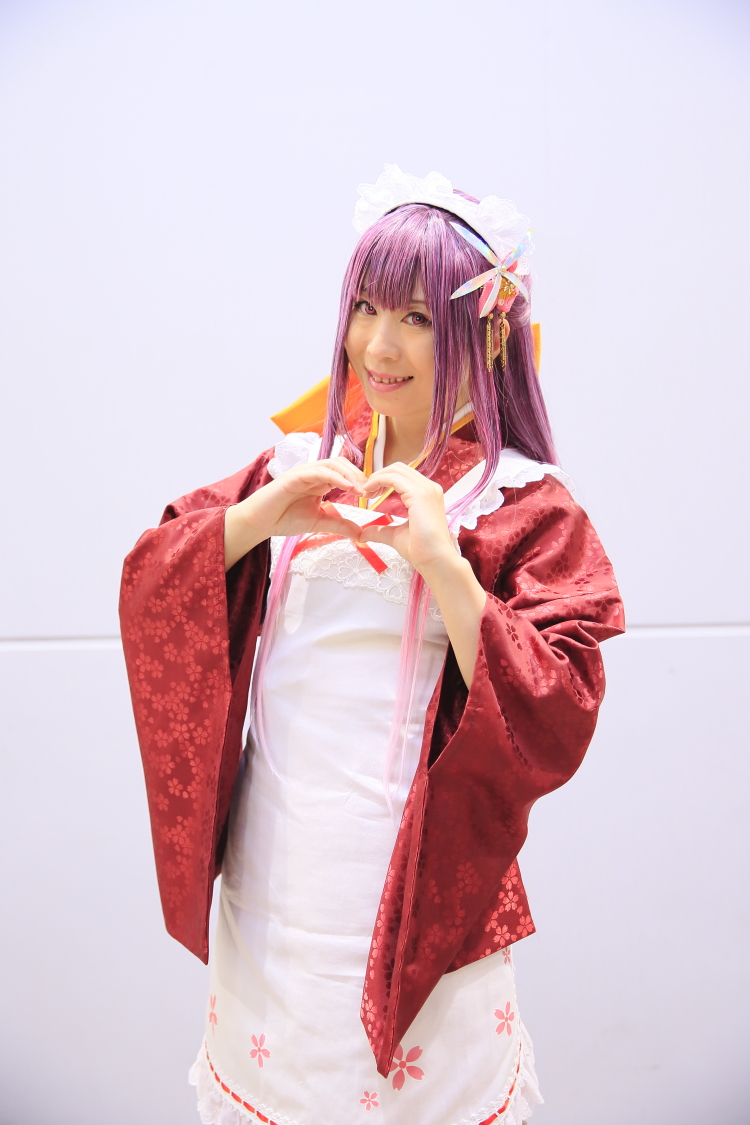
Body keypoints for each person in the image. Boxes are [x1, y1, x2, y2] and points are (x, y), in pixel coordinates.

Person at [120, 164, 624, 1125]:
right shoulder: (298, 463)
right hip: (275, 882)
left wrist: (444, 563)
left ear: (487, 333)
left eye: (418, 318)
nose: (378, 346)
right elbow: (152, 579)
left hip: (416, 895)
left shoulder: (522, 505)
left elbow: (560, 702)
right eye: (365, 308)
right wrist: (258, 519)